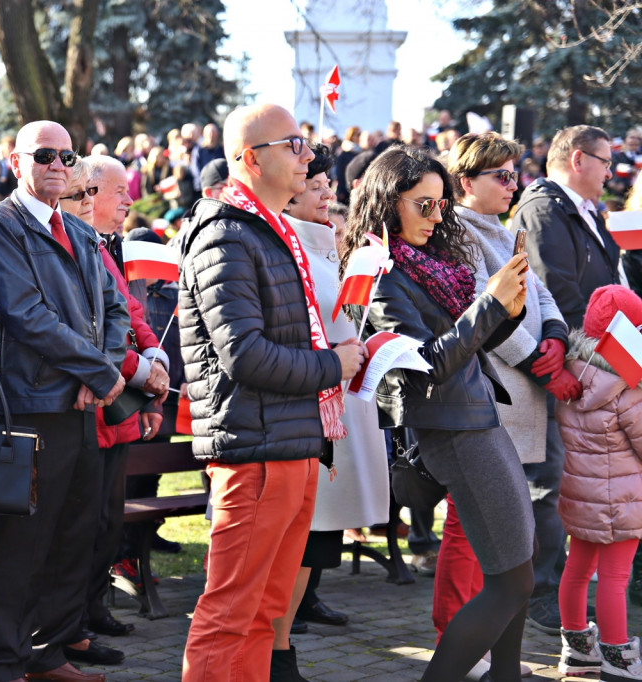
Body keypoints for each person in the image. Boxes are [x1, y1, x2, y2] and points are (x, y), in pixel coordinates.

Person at [179, 103, 366, 681]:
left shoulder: (271, 228)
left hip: (288, 440)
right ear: (251, 159)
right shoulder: (227, 233)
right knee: (231, 609)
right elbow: (246, 355)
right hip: (255, 449)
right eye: (295, 145)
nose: (309, 156)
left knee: (266, 612)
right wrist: (331, 365)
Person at [338, 145, 532, 681]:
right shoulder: (380, 272)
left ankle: (506, 676)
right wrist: (490, 304)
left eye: (441, 204)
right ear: (387, 201)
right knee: (510, 580)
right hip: (451, 429)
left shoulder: (428, 265)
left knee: (516, 567)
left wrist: (505, 308)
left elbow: (471, 342)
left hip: (477, 417)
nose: (437, 215)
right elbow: (427, 366)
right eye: (424, 204)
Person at [0, 121, 130, 682]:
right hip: (32, 404)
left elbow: (114, 310)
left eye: (67, 155)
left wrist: (103, 371)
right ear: (17, 163)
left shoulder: (80, 230)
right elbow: (24, 315)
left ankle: (49, 652)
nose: (58, 165)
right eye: (44, 155)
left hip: (82, 404)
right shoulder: (1, 225)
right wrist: (97, 370)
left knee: (72, 534)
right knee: (23, 539)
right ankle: (3, 660)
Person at [444, 131, 576, 675]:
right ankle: (454, 642)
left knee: (508, 539)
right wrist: (533, 359)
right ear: (465, 182)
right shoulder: (457, 235)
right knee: (470, 529)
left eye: (513, 173)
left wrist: (557, 338)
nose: (511, 183)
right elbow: (485, 312)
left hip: (524, 394)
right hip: (491, 396)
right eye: (499, 175)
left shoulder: (503, 228)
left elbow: (540, 294)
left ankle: (499, 659)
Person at [277, 144, 390, 664]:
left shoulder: (322, 243)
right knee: (296, 546)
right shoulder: (286, 245)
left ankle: (281, 651)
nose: (328, 195)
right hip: (308, 408)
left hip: (339, 402)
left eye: (330, 187)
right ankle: (275, 652)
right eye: (317, 186)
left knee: (317, 543)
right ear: (291, 190)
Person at [512, 124, 622, 634]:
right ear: (579, 159)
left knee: (571, 486)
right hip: (563, 369)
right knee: (548, 486)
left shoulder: (579, 209)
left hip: (589, 366)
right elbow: (560, 296)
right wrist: (609, 361)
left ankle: (561, 589)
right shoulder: (542, 208)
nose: (611, 170)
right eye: (604, 160)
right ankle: (537, 595)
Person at [64, 155, 169, 668]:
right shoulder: (74, 244)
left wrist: (155, 360)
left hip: (119, 402)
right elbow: (92, 328)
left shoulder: (108, 248)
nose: (129, 200)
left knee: (106, 521)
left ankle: (91, 606)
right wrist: (139, 367)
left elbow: (130, 314)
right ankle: (74, 620)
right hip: (92, 401)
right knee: (84, 521)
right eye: (118, 192)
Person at [555, 284, 642, 681]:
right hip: (623, 496)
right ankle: (618, 654)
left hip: (580, 491)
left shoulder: (572, 372)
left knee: (576, 568)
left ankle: (577, 651)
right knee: (615, 576)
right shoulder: (628, 386)